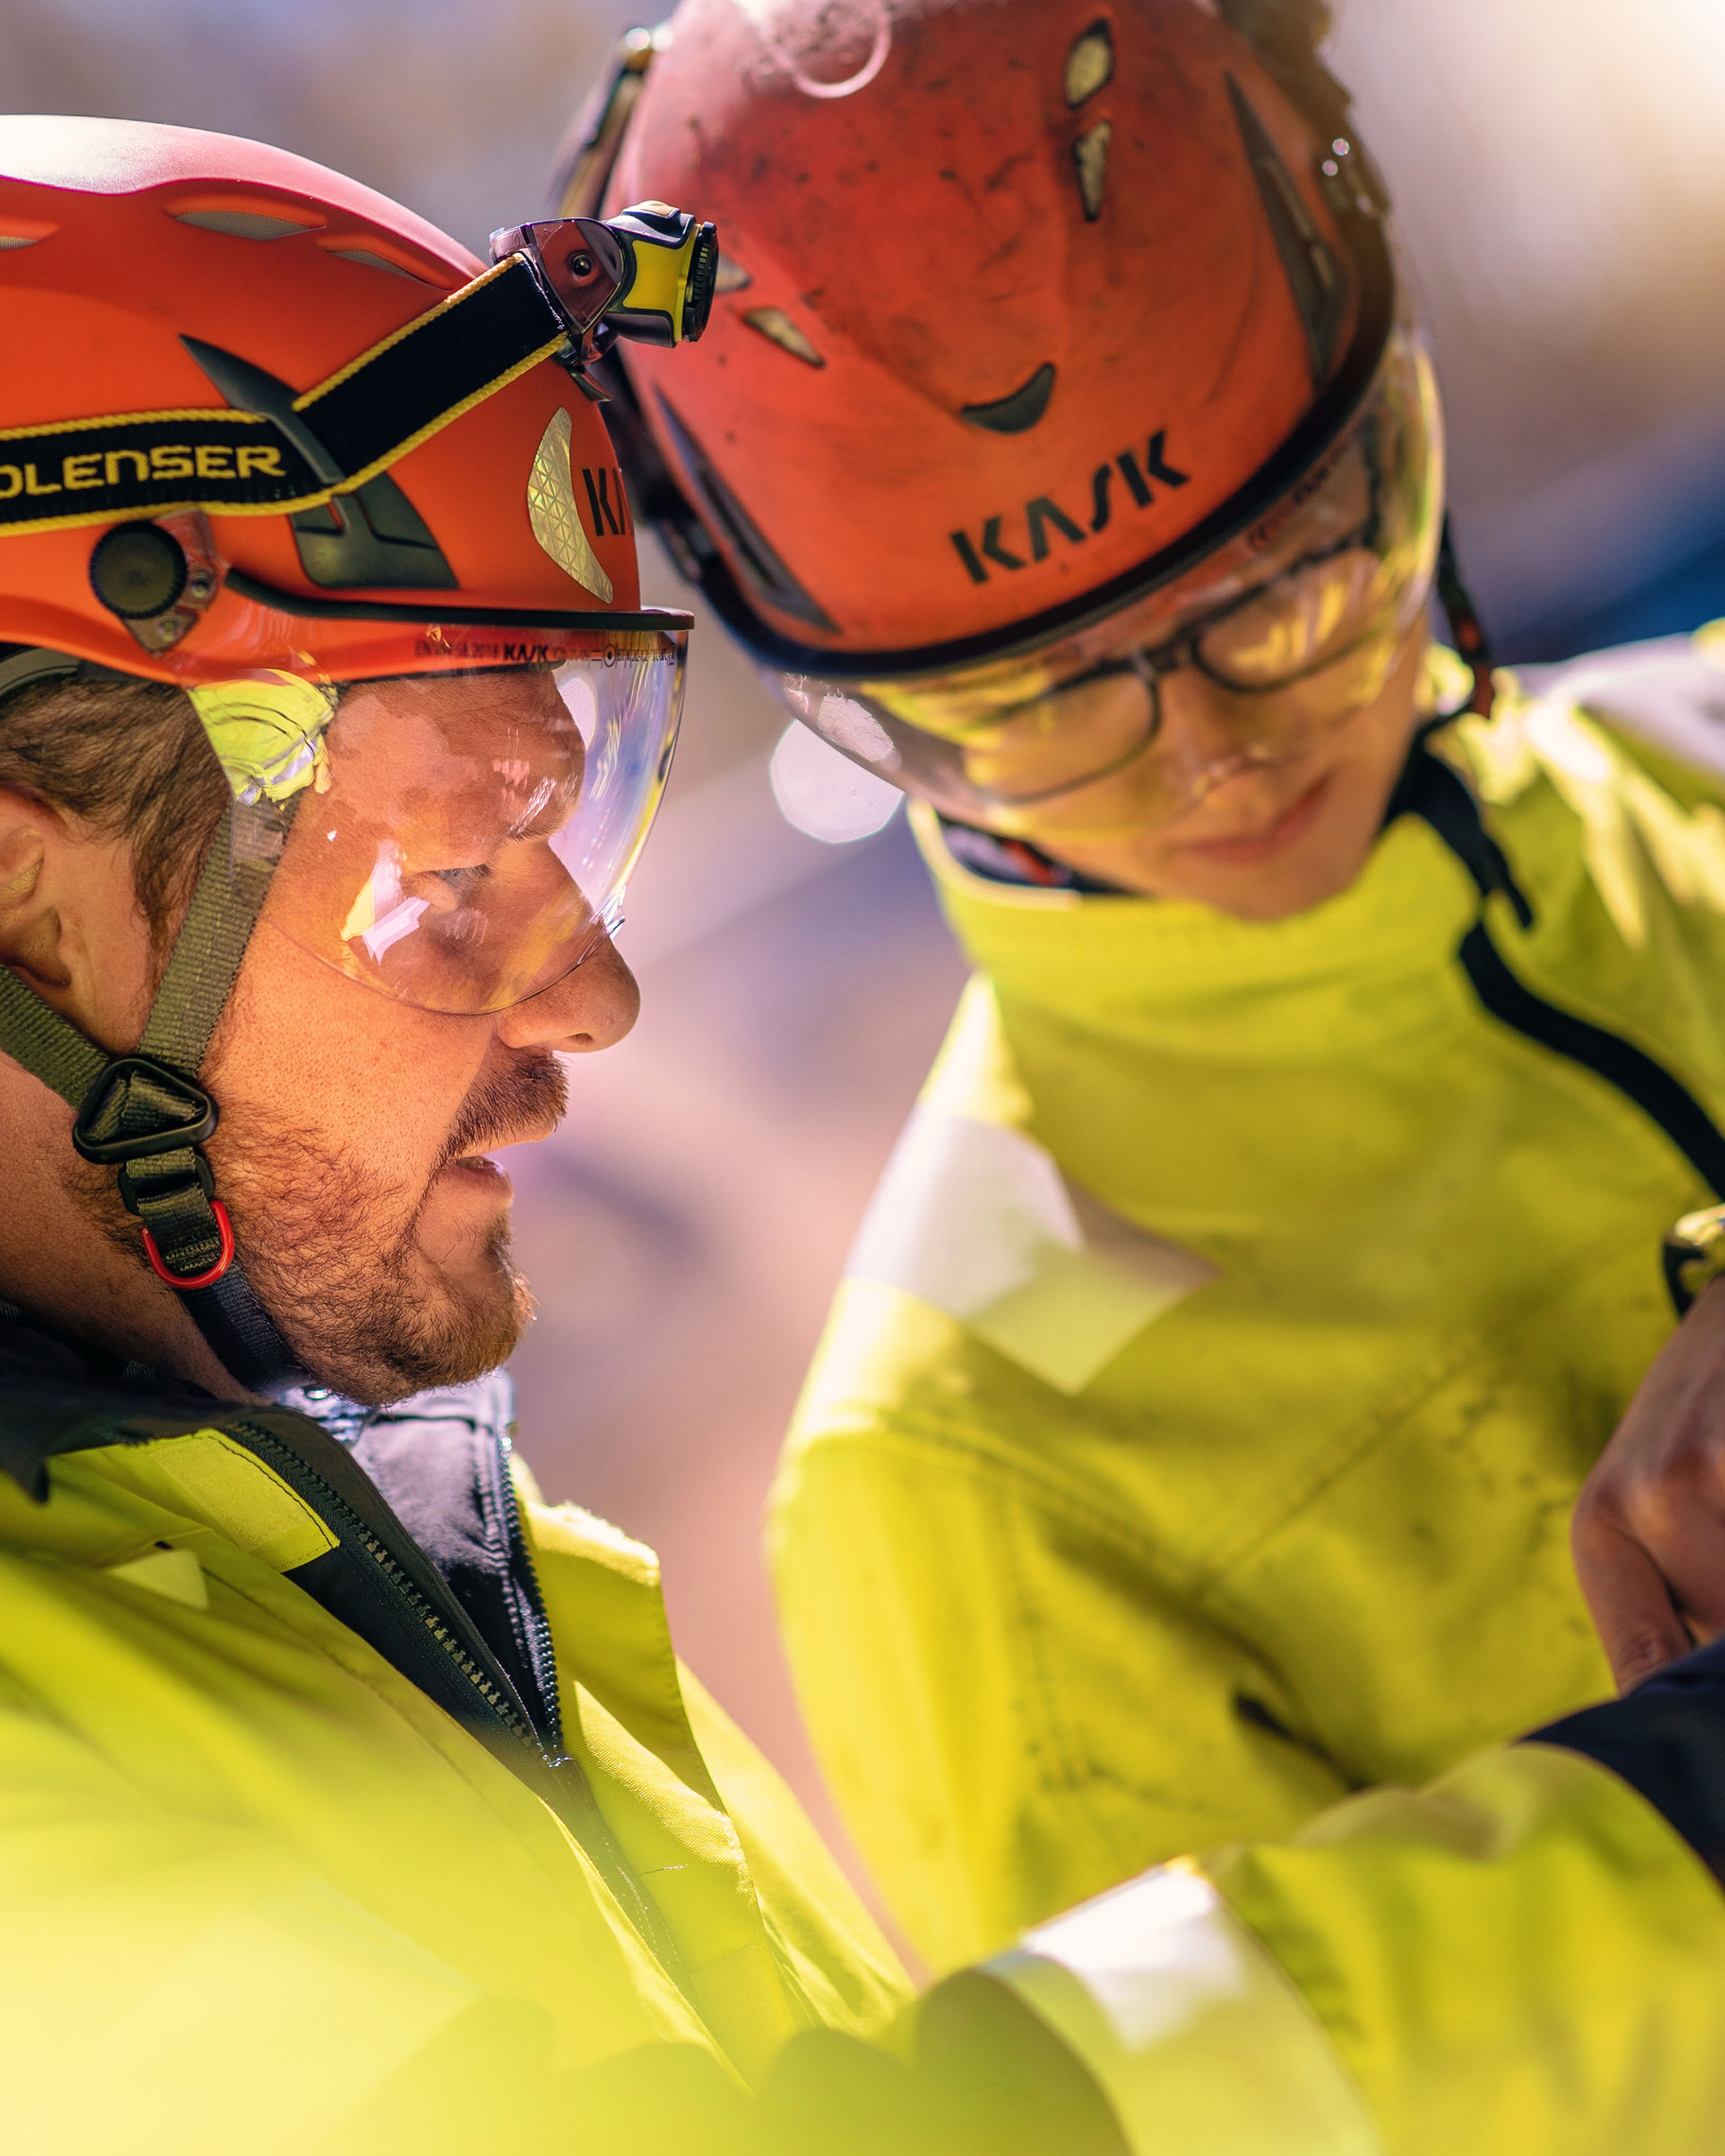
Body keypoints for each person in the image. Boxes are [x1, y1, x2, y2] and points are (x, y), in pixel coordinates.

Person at [7, 104, 1725, 2156]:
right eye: (446, 869)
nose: (597, 1000)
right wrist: (1680, 1832)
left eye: (580, 817)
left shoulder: (359, 1542)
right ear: (25, 903)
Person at [572, 0, 1725, 1972]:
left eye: (1282, 586)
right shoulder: (964, 1485)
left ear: (1396, 418)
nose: (1216, 762)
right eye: (1036, 701)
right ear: (861, 717)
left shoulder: (1697, 748)